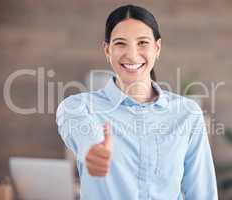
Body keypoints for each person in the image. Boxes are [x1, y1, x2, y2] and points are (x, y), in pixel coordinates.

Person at [56, 4, 218, 200]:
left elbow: (202, 193)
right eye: (120, 43)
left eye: (142, 42)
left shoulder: (187, 113)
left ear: (157, 48)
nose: (132, 55)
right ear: (107, 51)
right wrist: (93, 150)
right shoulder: (78, 107)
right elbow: (85, 137)